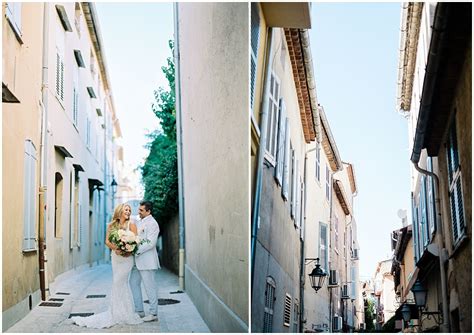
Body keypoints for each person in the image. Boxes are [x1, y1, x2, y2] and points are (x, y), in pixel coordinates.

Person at [71, 203, 143, 328]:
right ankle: (117, 312)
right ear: (120, 211)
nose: (128, 211)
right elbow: (107, 241)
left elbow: (136, 242)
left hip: (127, 259)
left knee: (121, 282)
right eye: (126, 209)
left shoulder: (132, 225)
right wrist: (116, 249)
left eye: (130, 210)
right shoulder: (112, 225)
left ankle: (125, 312)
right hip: (116, 258)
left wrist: (128, 250)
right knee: (117, 282)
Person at [130, 201, 161, 322]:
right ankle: (139, 311)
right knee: (133, 283)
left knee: (150, 287)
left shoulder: (153, 224)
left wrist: (135, 250)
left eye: (141, 210)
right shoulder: (140, 221)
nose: (139, 212)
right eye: (139, 209)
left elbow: (151, 243)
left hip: (147, 261)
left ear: (148, 211)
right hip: (137, 262)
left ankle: (153, 313)